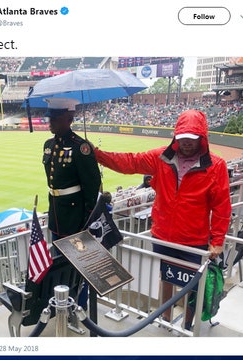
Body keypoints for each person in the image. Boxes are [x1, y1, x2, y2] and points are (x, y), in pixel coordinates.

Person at [93, 109, 232, 330]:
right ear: (176, 136)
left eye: (192, 139)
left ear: (202, 138)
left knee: (192, 286)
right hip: (163, 236)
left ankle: (187, 324)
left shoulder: (216, 166)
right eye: (182, 137)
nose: (186, 143)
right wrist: (97, 154)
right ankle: (165, 318)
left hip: (193, 241)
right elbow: (130, 162)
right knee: (166, 276)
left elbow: (222, 207)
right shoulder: (161, 157)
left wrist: (217, 241)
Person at [41, 97, 102, 240]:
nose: (50, 122)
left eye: (55, 118)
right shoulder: (48, 145)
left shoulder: (80, 147)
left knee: (75, 256)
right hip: (55, 211)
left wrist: (88, 214)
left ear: (69, 119)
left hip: (74, 215)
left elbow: (92, 182)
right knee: (58, 254)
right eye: (50, 118)